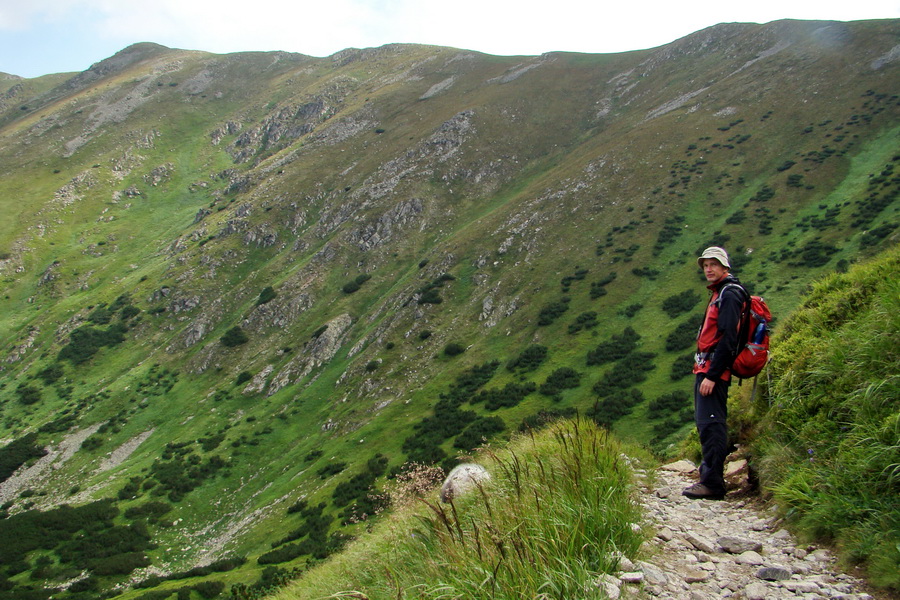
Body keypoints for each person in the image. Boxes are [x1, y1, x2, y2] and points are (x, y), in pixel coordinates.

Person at [683, 246, 747, 500]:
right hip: (706, 367)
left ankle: (712, 483)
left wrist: (712, 375)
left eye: (713, 264)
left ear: (725, 267)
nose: (708, 269)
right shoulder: (721, 292)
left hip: (713, 370)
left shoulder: (729, 294)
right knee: (706, 423)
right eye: (705, 265)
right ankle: (708, 476)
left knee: (711, 423)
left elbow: (728, 338)